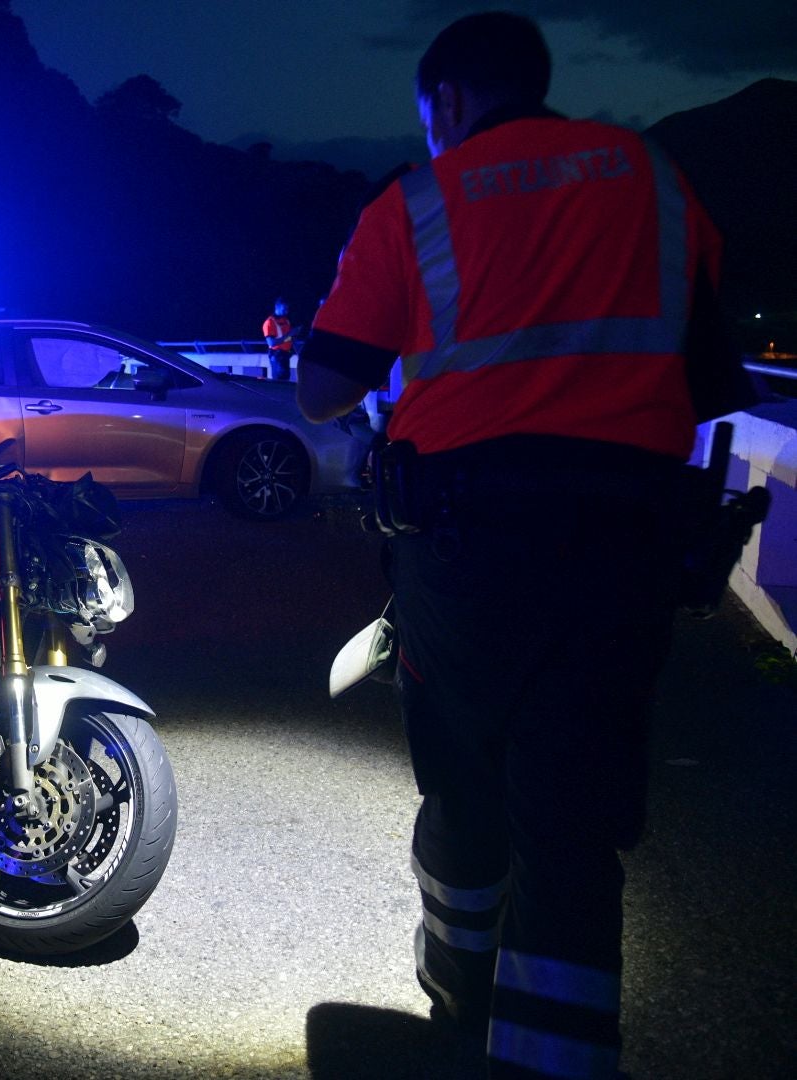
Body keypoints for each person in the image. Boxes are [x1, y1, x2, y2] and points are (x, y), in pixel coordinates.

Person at [296, 12, 754, 1079]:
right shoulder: (654, 177)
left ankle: (459, 1000)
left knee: (465, 786)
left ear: (446, 100)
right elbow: (707, 367)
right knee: (574, 820)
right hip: (625, 545)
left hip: (466, 549)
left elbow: (323, 389)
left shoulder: (418, 201)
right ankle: (558, 1060)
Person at [263, 298, 297, 381]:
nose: (286, 311)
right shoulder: (270, 322)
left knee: (285, 381)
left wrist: (293, 336)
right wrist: (290, 334)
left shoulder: (286, 321)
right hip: (277, 356)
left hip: (285, 355)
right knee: (279, 383)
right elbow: (271, 343)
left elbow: (287, 338)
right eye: (284, 308)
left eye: (287, 308)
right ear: (277, 307)